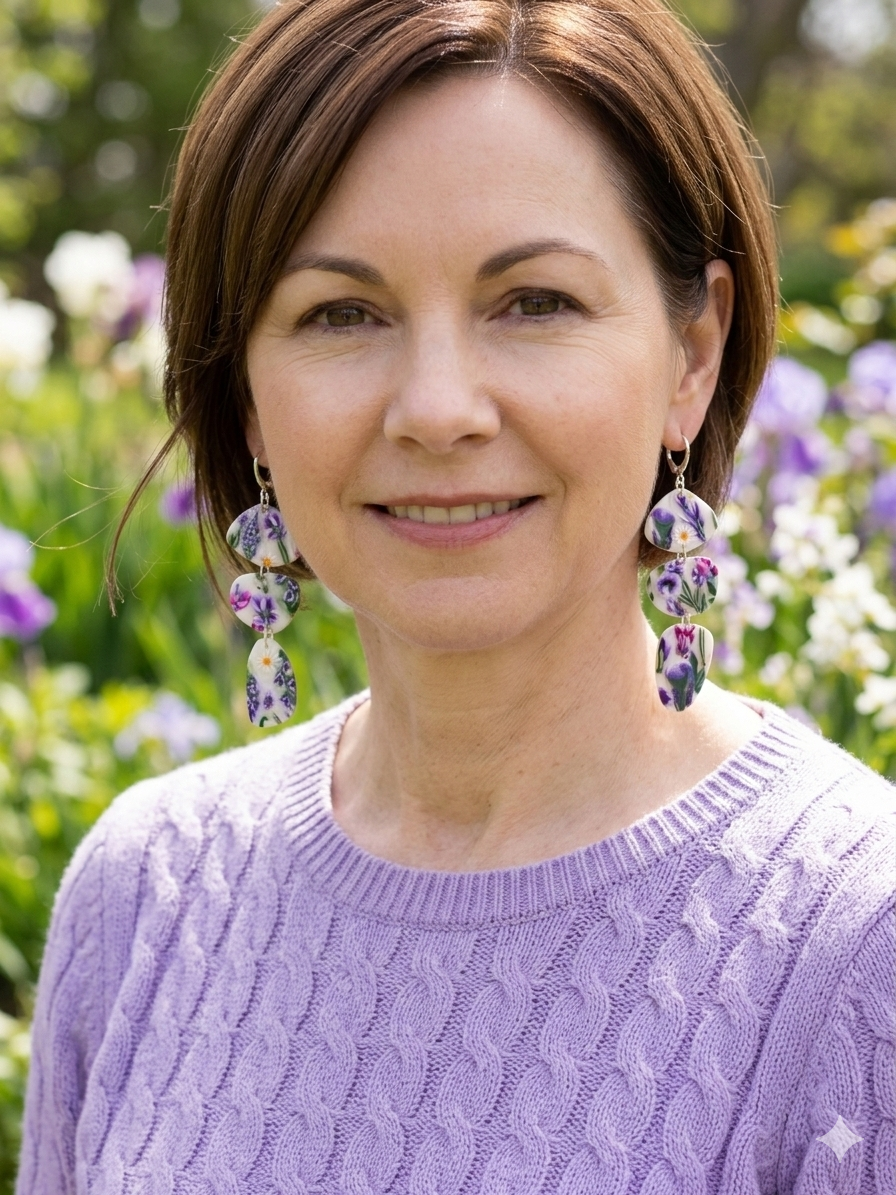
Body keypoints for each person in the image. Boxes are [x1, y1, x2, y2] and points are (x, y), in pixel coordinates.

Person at [18, 1, 895, 1192]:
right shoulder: (143, 896)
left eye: (533, 302)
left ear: (692, 353)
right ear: (246, 394)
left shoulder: (854, 946)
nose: (437, 409)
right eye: (341, 313)